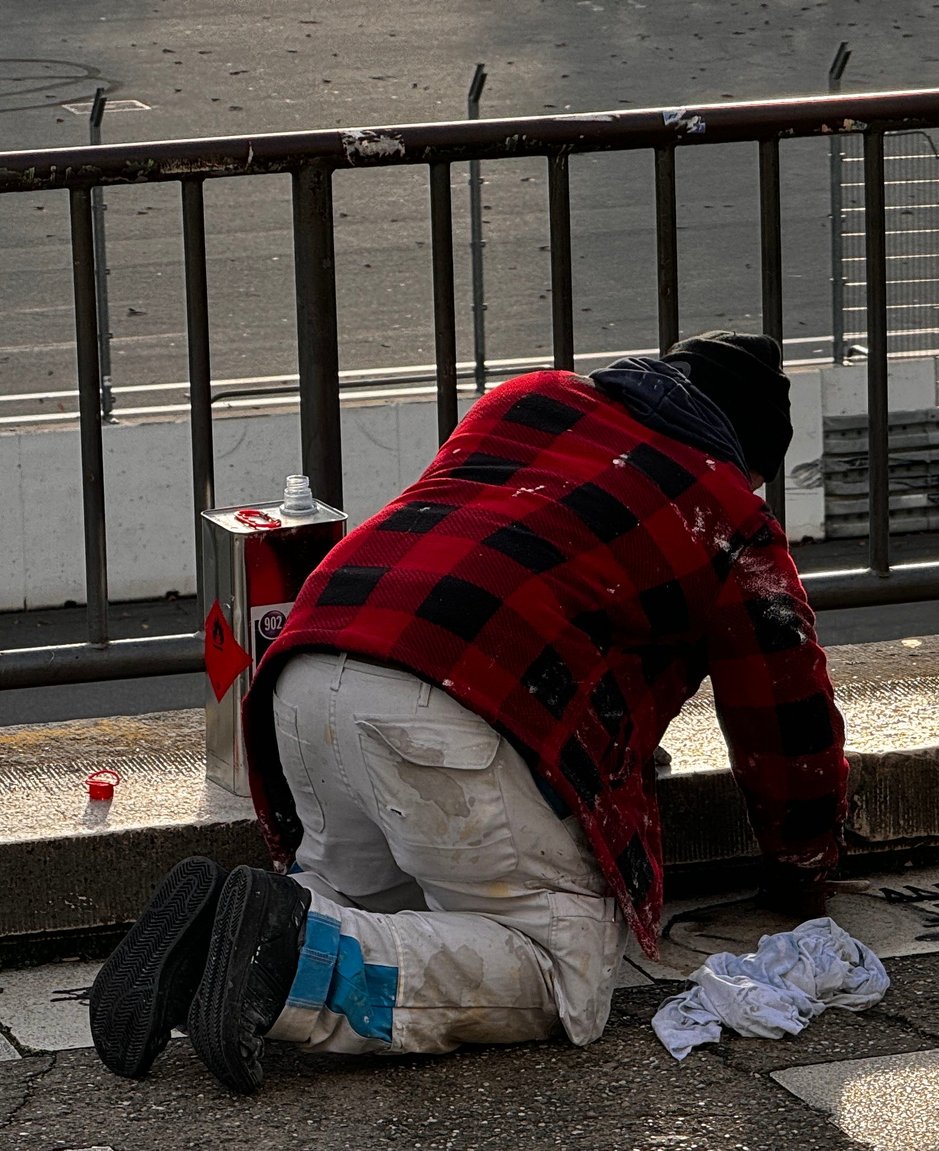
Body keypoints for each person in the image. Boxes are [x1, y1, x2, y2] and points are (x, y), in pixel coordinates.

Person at [90, 332, 851, 1092]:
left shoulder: (533, 399)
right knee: (567, 967)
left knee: (363, 897)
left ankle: (213, 935)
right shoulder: (723, 510)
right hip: (454, 709)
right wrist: (802, 871)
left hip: (308, 670)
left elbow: (522, 563)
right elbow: (787, 720)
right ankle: (292, 966)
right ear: (747, 458)